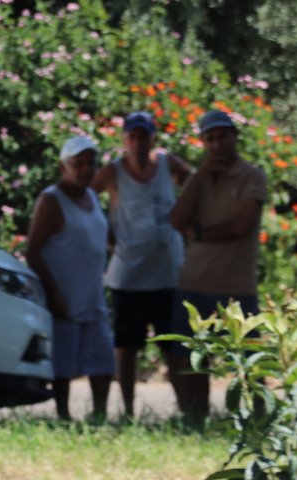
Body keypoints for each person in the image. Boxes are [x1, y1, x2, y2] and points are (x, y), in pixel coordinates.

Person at [168, 110, 268, 423]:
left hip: (236, 287)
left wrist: (199, 233)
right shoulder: (199, 180)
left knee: (250, 363)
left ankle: (259, 422)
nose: (217, 144)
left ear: (234, 136)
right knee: (192, 360)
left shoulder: (252, 177)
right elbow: (176, 220)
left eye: (222, 136)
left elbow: (241, 225)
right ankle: (195, 420)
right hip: (194, 283)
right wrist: (199, 178)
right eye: (210, 139)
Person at [92, 111, 193, 417]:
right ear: (125, 139)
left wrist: (187, 224)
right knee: (127, 347)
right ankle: (128, 411)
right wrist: (105, 233)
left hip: (168, 273)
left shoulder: (168, 164)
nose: (138, 142)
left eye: (143, 136)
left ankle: (186, 410)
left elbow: (195, 187)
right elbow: (84, 198)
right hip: (128, 275)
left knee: (174, 346)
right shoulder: (113, 172)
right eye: (132, 136)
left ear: (153, 138)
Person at [26, 135, 116, 421]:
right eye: (79, 163)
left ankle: (99, 416)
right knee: (63, 365)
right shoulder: (52, 200)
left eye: (91, 163)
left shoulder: (91, 196)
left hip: (92, 295)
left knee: (103, 361)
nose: (86, 169)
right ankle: (63, 416)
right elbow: (33, 252)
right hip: (64, 297)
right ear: (63, 166)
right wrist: (54, 294)